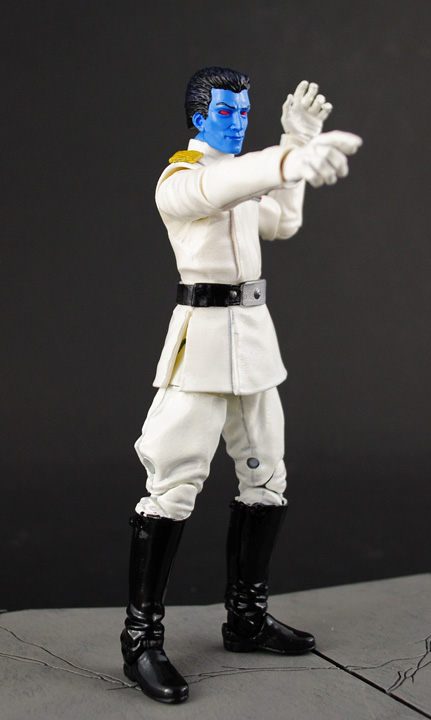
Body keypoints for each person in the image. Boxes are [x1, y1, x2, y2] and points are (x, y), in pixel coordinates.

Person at [121, 67, 362, 704]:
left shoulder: (245, 172)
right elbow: (224, 185)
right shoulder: (181, 179)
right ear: (199, 117)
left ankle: (247, 619)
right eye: (226, 112)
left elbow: (282, 222)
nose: (237, 121)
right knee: (173, 484)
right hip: (200, 345)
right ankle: (141, 639)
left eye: (245, 111)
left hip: (252, 342)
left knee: (267, 478)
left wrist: (296, 147)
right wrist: (287, 156)